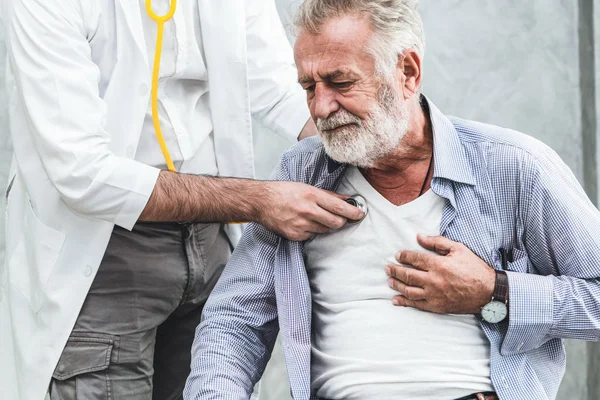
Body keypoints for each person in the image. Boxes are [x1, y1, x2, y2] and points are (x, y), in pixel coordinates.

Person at [184, 0, 600, 399]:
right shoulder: (299, 173)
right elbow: (233, 321)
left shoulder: (513, 166)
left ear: (407, 71)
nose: (320, 108)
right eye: (309, 87)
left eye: (341, 82)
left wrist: (495, 291)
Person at [0, 0, 366, 399]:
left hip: (212, 249)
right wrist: (259, 200)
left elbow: (282, 89)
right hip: (103, 258)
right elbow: (81, 171)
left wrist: (376, 150)